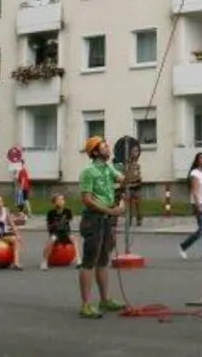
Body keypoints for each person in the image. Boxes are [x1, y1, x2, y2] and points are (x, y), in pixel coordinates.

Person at [76, 136, 127, 318]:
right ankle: (85, 304)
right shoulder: (88, 172)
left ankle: (104, 299)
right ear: (95, 152)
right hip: (93, 219)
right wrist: (110, 211)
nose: (108, 147)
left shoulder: (108, 167)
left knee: (104, 259)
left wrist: (130, 167)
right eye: (104, 145)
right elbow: (87, 200)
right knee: (90, 261)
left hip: (106, 219)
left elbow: (124, 181)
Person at [178, 151, 202, 261]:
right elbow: (194, 192)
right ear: (197, 160)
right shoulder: (195, 173)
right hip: (200, 204)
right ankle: (183, 246)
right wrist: (199, 206)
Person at [41, 192, 75, 271]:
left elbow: (69, 220)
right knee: (52, 240)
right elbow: (49, 226)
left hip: (65, 232)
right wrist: (54, 227)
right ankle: (44, 261)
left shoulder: (67, 211)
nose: (61, 201)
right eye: (59, 200)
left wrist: (64, 220)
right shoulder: (51, 213)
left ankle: (79, 260)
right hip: (56, 233)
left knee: (74, 239)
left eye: (62, 199)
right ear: (54, 202)